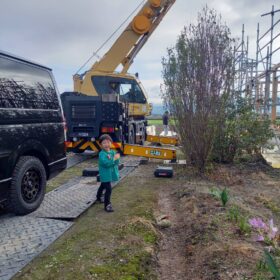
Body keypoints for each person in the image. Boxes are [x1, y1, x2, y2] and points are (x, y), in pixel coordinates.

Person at [96, 134, 120, 212]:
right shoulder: (102, 154)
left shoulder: (112, 152)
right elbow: (106, 164)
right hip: (105, 174)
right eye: (104, 143)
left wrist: (117, 158)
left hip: (110, 173)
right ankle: (107, 205)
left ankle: (98, 197)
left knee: (103, 185)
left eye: (108, 142)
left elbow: (116, 163)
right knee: (108, 189)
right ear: (101, 145)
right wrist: (113, 159)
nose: (106, 144)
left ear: (111, 143)